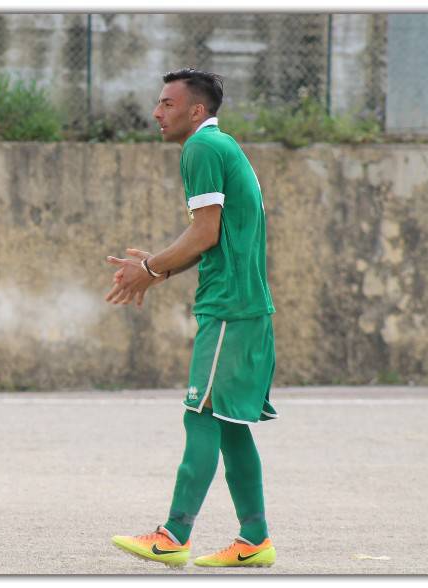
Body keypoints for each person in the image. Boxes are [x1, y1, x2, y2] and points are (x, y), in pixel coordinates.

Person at [105, 68, 277, 568]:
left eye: (166, 104)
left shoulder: (200, 150)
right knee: (227, 423)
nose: (157, 113)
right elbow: (214, 238)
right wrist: (155, 270)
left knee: (200, 414)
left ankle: (173, 535)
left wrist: (151, 267)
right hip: (243, 307)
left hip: (229, 309)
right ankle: (254, 539)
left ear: (196, 111)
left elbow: (204, 233)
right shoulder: (221, 147)